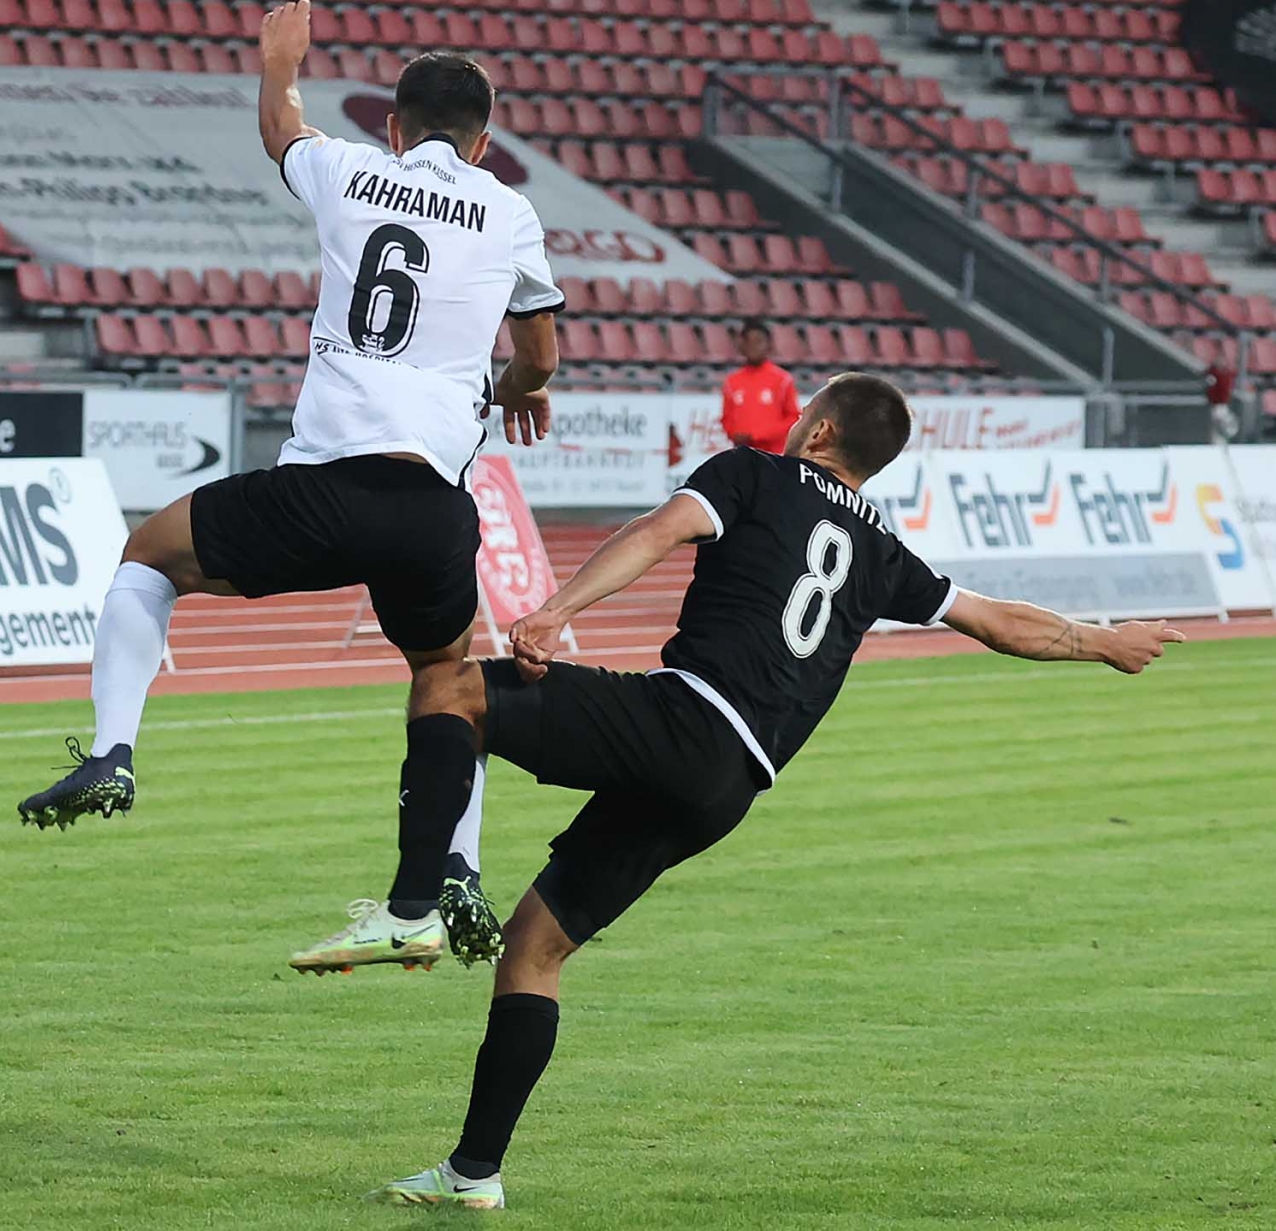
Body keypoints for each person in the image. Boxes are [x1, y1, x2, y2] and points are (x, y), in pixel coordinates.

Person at [373, 372, 1183, 1208]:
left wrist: (554, 610)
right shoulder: (882, 552)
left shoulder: (753, 474)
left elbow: (659, 530)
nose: (795, 422)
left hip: (687, 719)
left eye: (805, 413)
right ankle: (473, 1174)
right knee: (535, 948)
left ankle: (421, 900)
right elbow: (995, 621)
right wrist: (1104, 641)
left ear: (821, 431)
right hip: (729, 787)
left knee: (452, 687)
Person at [14, 0, 566, 975]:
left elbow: (282, 129)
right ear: (484, 145)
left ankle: (112, 753)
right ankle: (451, 875)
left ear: (392, 129)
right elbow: (541, 354)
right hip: (433, 510)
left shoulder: (349, 169)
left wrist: (281, 61)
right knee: (448, 682)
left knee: (150, 555)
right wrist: (520, 385)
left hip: (326, 490)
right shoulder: (509, 210)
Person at [721, 318, 801, 451]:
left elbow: (793, 418)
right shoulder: (731, 381)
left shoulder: (782, 380)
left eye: (758, 341)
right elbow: (726, 418)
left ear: (768, 345)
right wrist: (733, 433)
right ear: (742, 346)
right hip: (742, 454)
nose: (753, 347)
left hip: (773, 455)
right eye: (749, 342)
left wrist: (757, 435)